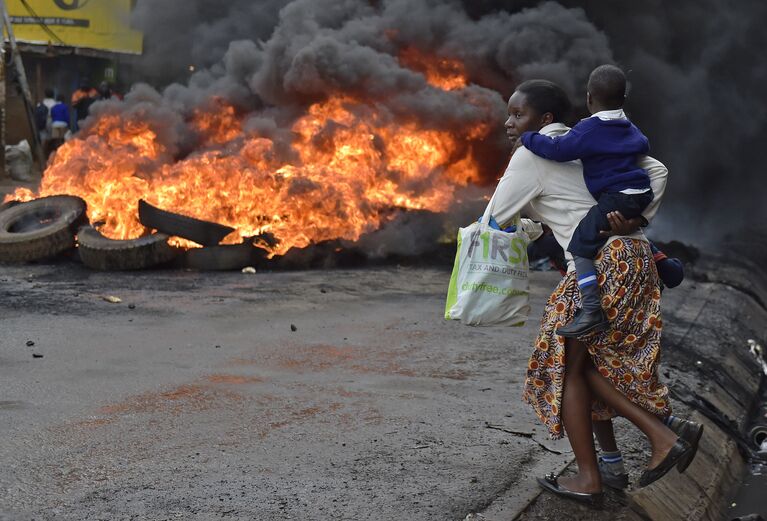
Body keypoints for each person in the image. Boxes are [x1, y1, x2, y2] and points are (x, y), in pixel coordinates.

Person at [487, 79, 702, 502]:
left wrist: (512, 230)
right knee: (589, 364)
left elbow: (495, 220)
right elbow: (655, 170)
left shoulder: (531, 154)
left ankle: (643, 447)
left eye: (518, 115)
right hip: (637, 258)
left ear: (543, 119)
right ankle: (618, 462)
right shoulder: (587, 142)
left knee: (567, 366)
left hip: (602, 265)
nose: (509, 123)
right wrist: (639, 216)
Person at [520, 65, 653, 338]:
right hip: (640, 193)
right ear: (624, 100)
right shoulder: (629, 127)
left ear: (589, 98)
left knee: (580, 245)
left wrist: (528, 137)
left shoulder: (589, 128)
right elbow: (644, 145)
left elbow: (559, 150)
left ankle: (591, 309)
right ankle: (665, 265)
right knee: (626, 231)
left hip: (617, 196)